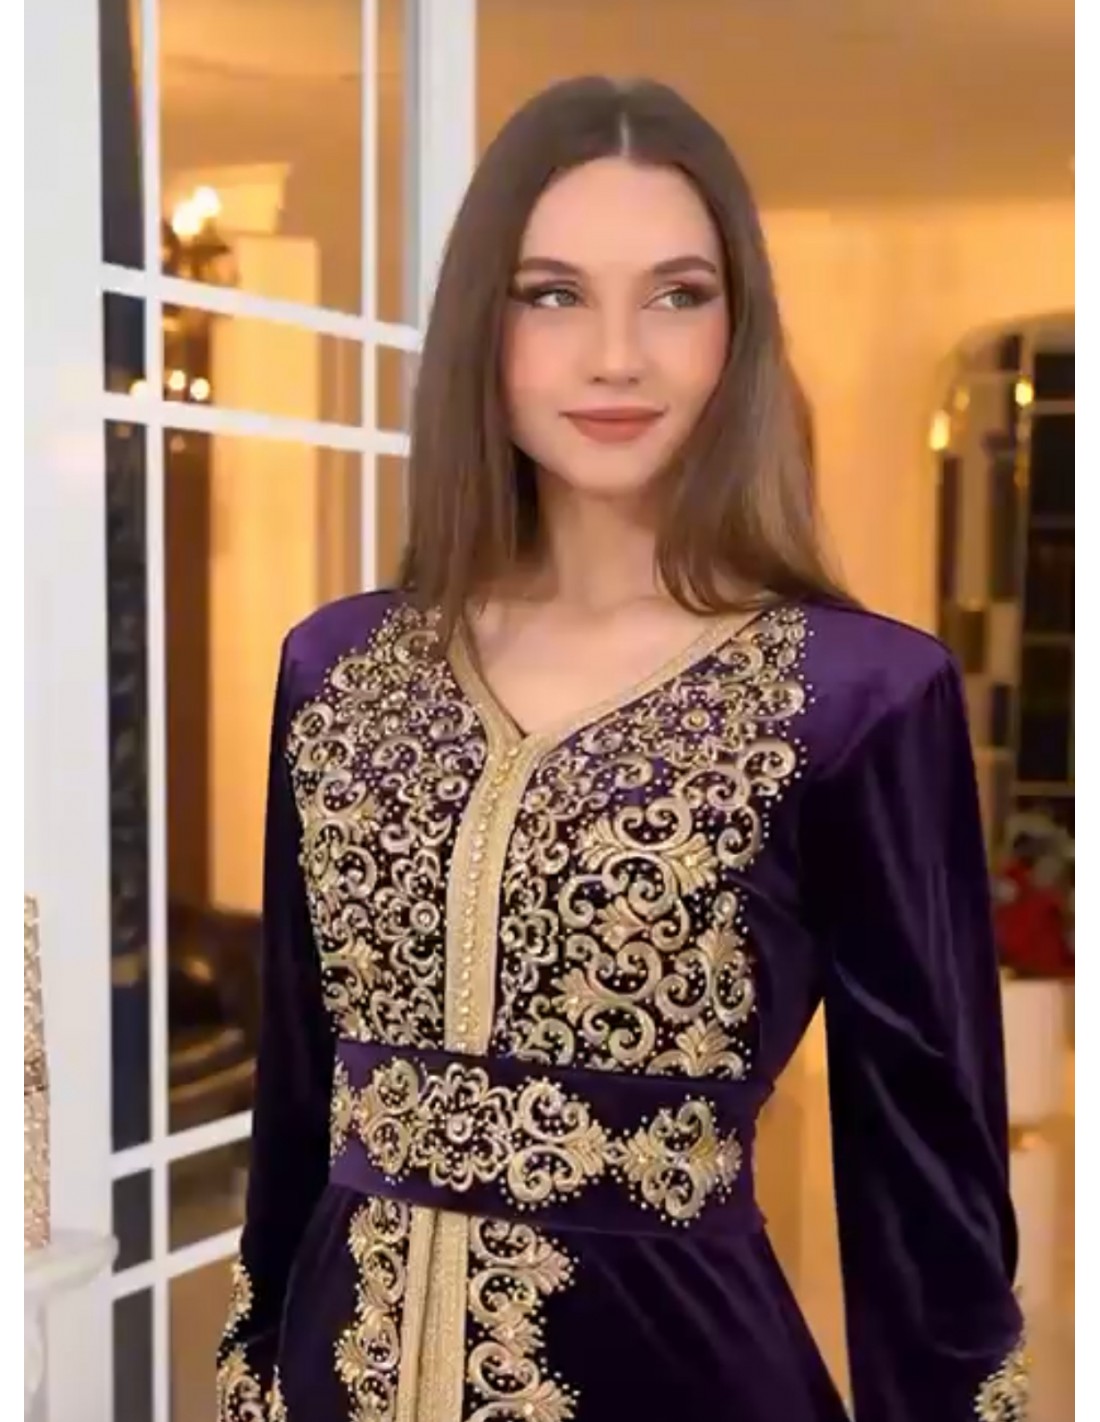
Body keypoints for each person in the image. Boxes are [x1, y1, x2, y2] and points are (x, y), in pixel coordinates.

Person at [216, 76, 1027, 1422]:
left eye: (676, 295)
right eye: (552, 294)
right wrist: (256, 1362)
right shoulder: (340, 671)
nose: (616, 356)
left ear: (738, 334)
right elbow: (300, 1091)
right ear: (480, 329)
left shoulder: (857, 697)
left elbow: (926, 1175)